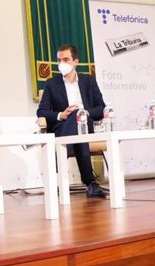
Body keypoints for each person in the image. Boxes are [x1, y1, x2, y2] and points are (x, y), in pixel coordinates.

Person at [37, 44, 105, 197]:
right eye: (59, 60)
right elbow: (41, 111)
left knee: (79, 116)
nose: (62, 64)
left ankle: (58, 160)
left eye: (66, 59)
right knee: (76, 122)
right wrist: (61, 114)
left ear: (76, 61)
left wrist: (85, 112)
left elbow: (101, 107)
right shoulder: (51, 84)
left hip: (86, 124)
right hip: (62, 126)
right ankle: (90, 183)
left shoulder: (89, 81)